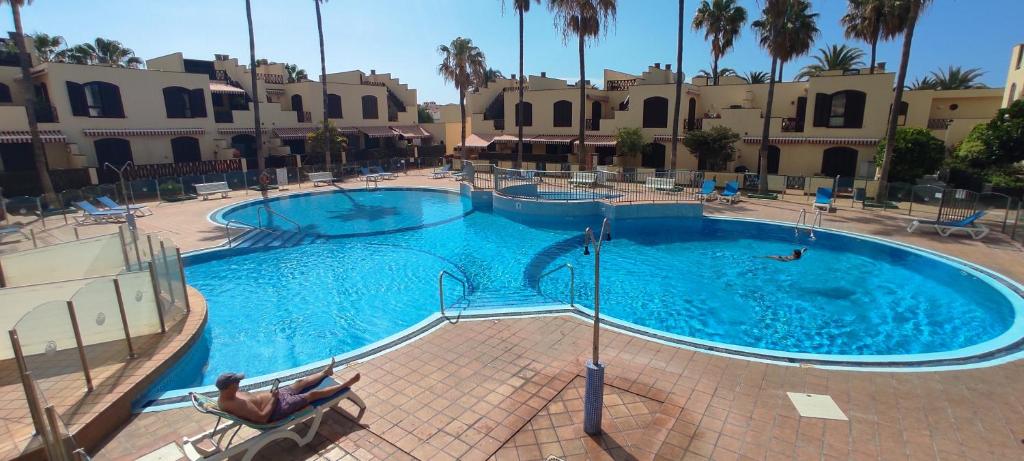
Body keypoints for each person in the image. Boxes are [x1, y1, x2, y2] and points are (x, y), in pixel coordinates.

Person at [216, 358, 360, 424]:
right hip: (278, 408)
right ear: (229, 387)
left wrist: (273, 395)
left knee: (300, 383)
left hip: (276, 397)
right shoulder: (235, 405)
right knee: (312, 395)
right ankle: (345, 385)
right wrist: (273, 398)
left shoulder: (228, 395)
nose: (239, 383)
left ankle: (325, 372)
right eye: (237, 382)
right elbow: (262, 418)